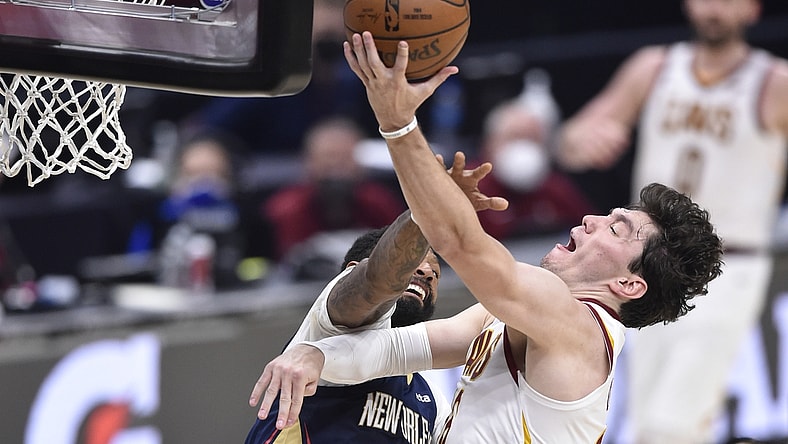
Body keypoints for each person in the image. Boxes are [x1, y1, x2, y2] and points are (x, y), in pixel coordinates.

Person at [248, 32, 725, 443]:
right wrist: (314, 354)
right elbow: (399, 349)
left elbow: (459, 242)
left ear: (629, 285)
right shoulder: (514, 320)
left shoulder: (577, 327)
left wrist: (398, 124)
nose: (589, 220)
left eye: (616, 228)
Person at [555, 0, 788, 441]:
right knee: (644, 416)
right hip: (646, 264)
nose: (715, 7)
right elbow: (569, 140)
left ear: (753, 10)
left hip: (729, 264)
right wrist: (578, 140)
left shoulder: (774, 82)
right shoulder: (655, 66)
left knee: (675, 420)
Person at [246, 155, 509, 443]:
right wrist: (432, 210)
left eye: (435, 273)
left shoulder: (430, 398)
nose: (428, 273)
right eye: (417, 262)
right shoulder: (327, 330)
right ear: (350, 273)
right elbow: (378, 280)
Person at [262, 116, 405, 263]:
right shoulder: (284, 212)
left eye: (345, 158)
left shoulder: (381, 204)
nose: (336, 168)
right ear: (308, 161)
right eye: (328, 158)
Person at [473, 96, 596, 240]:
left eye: (533, 139)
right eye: (515, 137)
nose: (524, 148)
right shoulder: (469, 186)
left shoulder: (556, 189)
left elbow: (589, 230)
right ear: (489, 144)